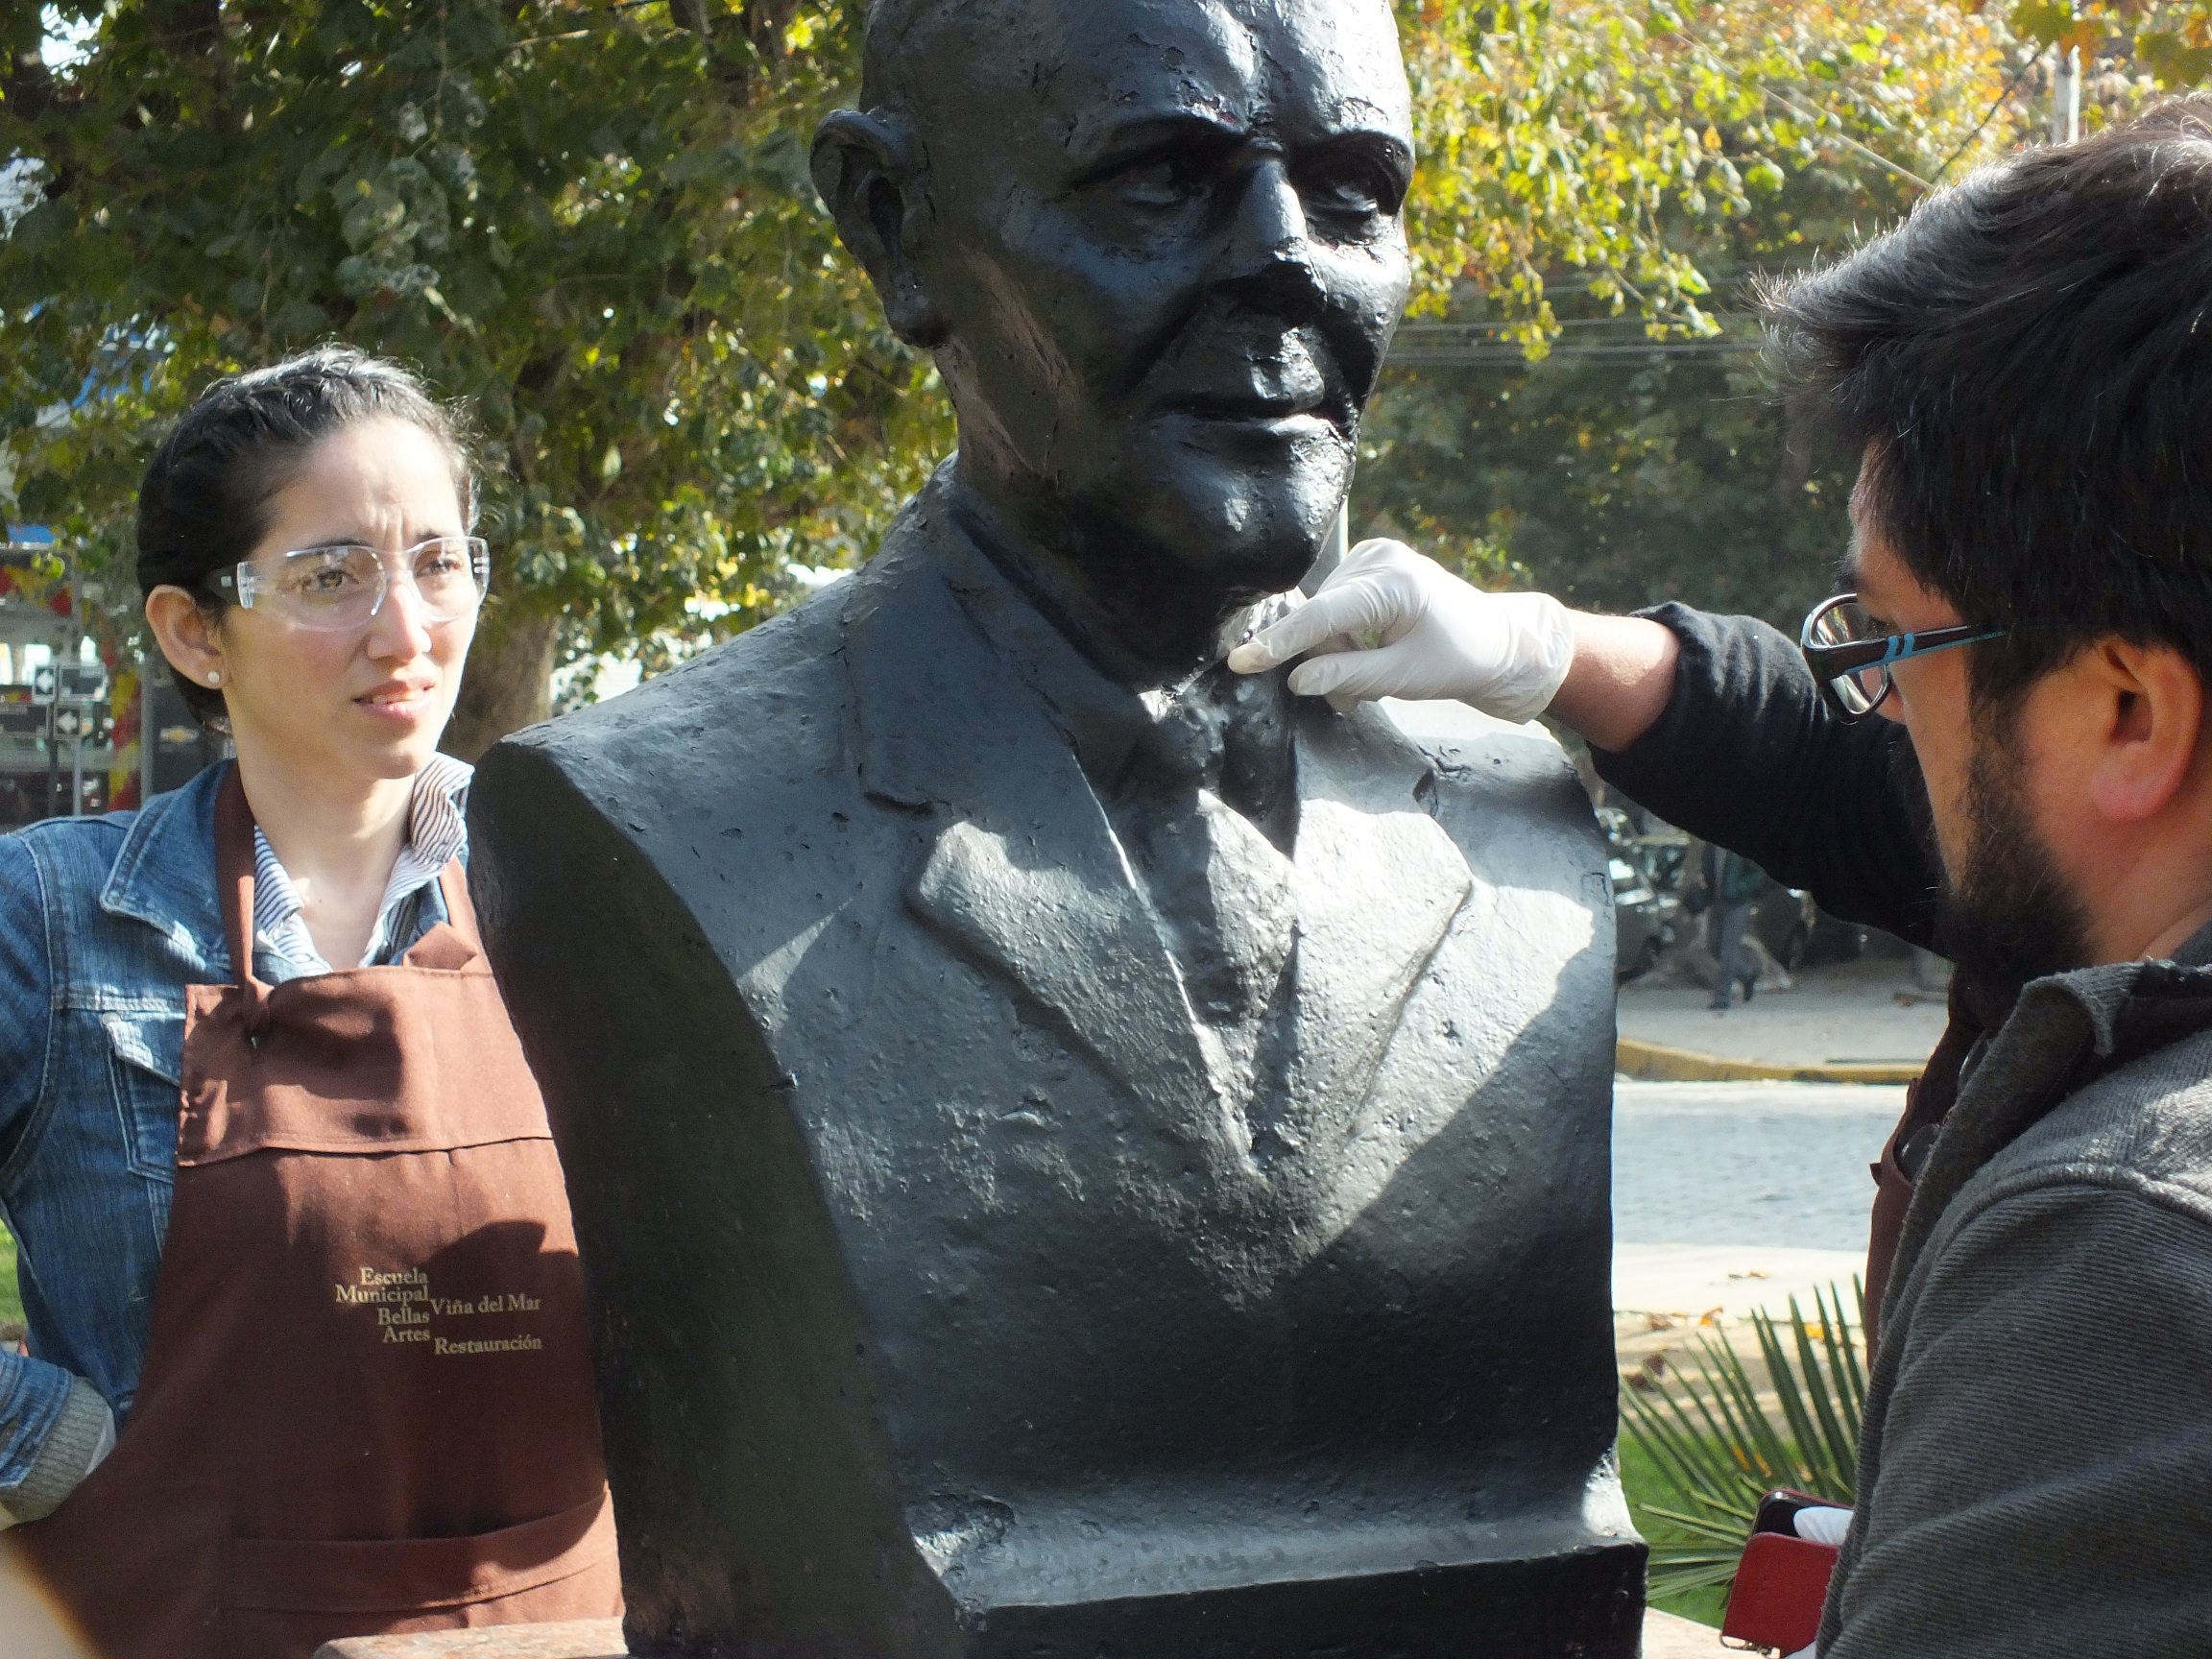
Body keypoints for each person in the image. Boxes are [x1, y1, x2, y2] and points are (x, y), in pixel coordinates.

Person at [1235, 98, 2212, 1656]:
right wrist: (1541, 646)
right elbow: (1835, 776)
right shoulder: (2145, 848)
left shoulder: (2128, 1248)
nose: (1871, 706)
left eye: (1887, 644)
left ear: (2124, 713)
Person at [0, 349, 619, 1657]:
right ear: (190, 630)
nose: (407, 632)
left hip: (547, 1630)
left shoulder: (591, 895)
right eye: (334, 576)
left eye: (440, 563)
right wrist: (55, 1446)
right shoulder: (46, 920)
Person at [1701, 843, 1766, 1009]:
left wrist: (1741, 887)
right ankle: (1748, 974)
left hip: (1737, 903)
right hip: (1716, 901)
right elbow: (1707, 869)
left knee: (1728, 951)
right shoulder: (1710, 846)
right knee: (1713, 946)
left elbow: (1758, 872)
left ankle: (1722, 997)